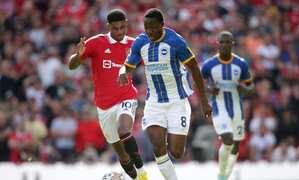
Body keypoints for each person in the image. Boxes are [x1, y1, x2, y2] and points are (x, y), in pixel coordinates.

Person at [118, 8, 212, 180]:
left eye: (153, 27)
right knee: (158, 148)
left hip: (177, 101)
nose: (149, 31)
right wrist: (122, 72)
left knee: (176, 152)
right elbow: (128, 64)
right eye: (146, 28)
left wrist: (204, 101)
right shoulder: (140, 42)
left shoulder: (176, 42)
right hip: (154, 103)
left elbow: (195, 70)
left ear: (162, 25)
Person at [68, 9, 148, 180]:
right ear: (108, 27)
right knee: (123, 156)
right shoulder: (96, 43)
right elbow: (72, 65)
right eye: (115, 28)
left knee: (124, 130)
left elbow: (152, 63)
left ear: (126, 25)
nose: (119, 32)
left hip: (126, 96)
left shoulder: (134, 45)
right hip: (104, 105)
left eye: (122, 28)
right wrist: (78, 56)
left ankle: (143, 173)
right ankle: (133, 176)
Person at [201, 31, 254, 180]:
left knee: (235, 146)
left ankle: (225, 174)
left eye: (227, 42)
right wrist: (209, 89)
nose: (224, 45)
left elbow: (250, 86)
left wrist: (245, 89)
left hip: (237, 109)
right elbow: (198, 83)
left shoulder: (241, 64)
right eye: (222, 42)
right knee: (228, 140)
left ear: (232, 44)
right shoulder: (209, 65)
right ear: (217, 44)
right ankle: (221, 175)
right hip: (219, 107)